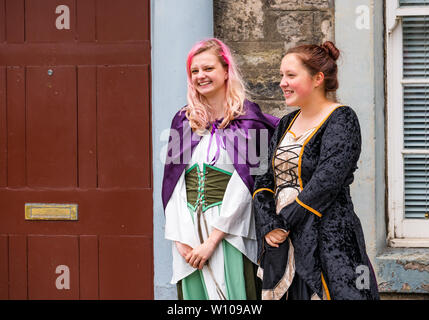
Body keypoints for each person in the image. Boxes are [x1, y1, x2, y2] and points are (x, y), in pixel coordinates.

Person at [253, 41, 380, 300]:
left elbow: (327, 182)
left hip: (330, 239)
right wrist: (269, 224)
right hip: (284, 242)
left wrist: (284, 223)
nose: (282, 83)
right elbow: (265, 179)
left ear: (318, 78)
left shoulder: (342, 118)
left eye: (290, 75)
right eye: (281, 75)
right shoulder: (286, 123)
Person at [162, 38, 279, 300]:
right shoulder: (183, 120)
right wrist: (180, 237)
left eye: (208, 68)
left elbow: (246, 187)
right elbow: (173, 185)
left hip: (231, 233)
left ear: (226, 71)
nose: (201, 76)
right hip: (189, 232)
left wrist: (212, 241)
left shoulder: (249, 120)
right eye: (194, 71)